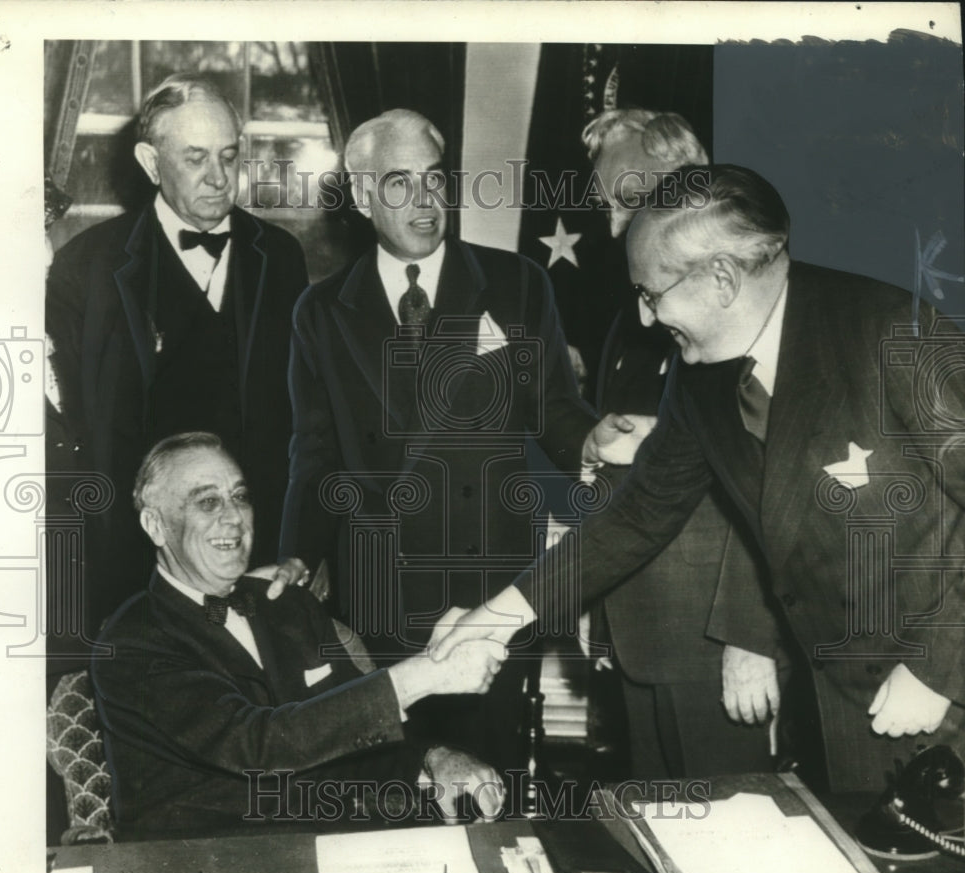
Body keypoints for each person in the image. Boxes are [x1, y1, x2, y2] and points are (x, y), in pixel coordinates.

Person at [433, 164, 965, 793]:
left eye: (652, 293)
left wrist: (937, 666)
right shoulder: (702, 376)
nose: (646, 316)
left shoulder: (892, 333)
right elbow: (638, 515)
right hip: (845, 699)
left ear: (720, 279)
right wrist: (496, 615)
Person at [278, 109, 635, 771]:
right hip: (382, 583)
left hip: (491, 583)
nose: (423, 201)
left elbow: (554, 406)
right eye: (398, 184)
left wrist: (587, 434)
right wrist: (298, 555)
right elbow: (314, 451)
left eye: (433, 179)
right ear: (360, 197)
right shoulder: (322, 310)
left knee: (488, 776)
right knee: (398, 774)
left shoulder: (517, 282)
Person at [92, 432, 506, 841]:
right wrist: (423, 676)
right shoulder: (132, 639)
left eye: (240, 496)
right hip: (204, 872)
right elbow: (257, 746)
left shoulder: (287, 606)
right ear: (155, 524)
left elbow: (350, 740)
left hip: (329, 849)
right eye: (208, 502)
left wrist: (432, 758)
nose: (234, 517)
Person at [46, 73, 310, 679]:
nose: (218, 178)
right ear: (149, 161)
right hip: (132, 568)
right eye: (195, 159)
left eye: (228, 156)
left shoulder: (283, 257)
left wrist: (296, 548)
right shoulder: (86, 267)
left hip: (253, 554)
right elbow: (78, 438)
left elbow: (302, 423)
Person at [579, 109, 791, 778]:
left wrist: (750, 634)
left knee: (736, 836)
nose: (616, 226)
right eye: (609, 205)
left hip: (717, 644)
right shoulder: (636, 315)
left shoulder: (739, 312)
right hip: (644, 628)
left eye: (632, 202)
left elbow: (770, 484)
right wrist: (602, 609)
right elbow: (637, 484)